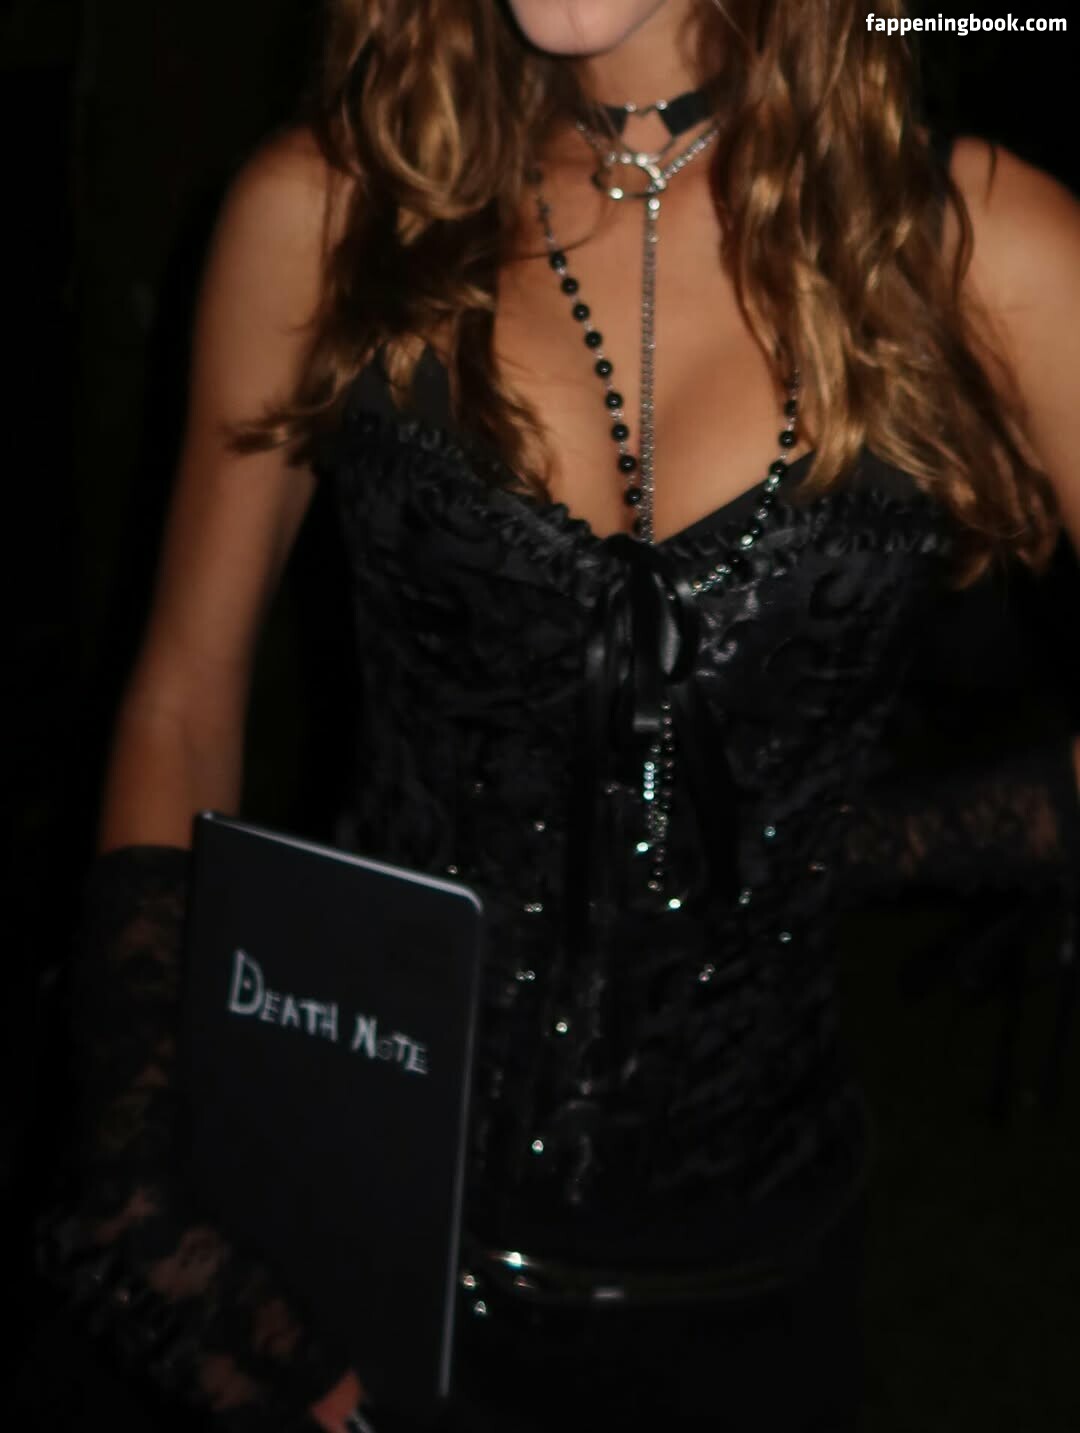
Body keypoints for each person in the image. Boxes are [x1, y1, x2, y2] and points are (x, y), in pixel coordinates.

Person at [34, 1, 1080, 1431]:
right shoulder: (331, 210)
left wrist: (873, 843)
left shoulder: (976, 243)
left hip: (750, 1285)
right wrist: (135, 1151)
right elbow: (181, 695)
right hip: (341, 1224)